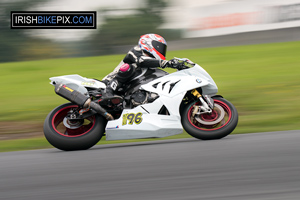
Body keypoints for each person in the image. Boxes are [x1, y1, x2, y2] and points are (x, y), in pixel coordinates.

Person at [102, 33, 180, 102]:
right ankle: (108, 92)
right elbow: (142, 60)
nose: (161, 50)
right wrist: (166, 63)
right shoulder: (136, 50)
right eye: (159, 46)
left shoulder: (151, 65)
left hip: (127, 88)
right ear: (148, 43)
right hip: (110, 81)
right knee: (129, 68)